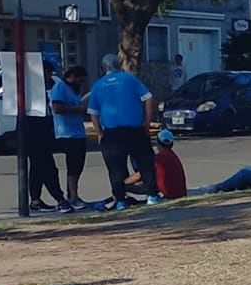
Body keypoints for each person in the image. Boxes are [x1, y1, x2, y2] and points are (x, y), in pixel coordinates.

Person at [87, 51, 160, 211]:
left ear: (103, 68)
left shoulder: (99, 85)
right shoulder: (130, 79)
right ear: (118, 65)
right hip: (135, 129)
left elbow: (93, 112)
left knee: (115, 168)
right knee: (145, 163)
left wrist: (99, 132)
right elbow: (149, 98)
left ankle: (120, 200)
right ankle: (152, 196)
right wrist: (147, 122)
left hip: (112, 133)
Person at [26, 60, 71, 213]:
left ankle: (35, 200)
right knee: (47, 167)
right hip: (34, 131)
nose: (48, 77)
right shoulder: (30, 89)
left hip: (44, 130)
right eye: (47, 73)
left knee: (36, 169)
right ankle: (60, 199)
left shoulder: (48, 88)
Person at [50, 64, 89, 207]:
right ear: (72, 77)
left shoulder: (74, 91)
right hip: (67, 133)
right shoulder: (60, 88)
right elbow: (57, 108)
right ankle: (73, 196)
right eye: (79, 81)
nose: (81, 84)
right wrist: (78, 109)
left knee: (78, 165)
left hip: (78, 132)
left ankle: (73, 193)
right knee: (73, 166)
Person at [153, 128, 188, 198]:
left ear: (158, 143)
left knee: (130, 186)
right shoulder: (173, 156)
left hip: (170, 194)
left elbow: (140, 175)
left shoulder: (160, 157)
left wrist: (125, 183)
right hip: (180, 193)